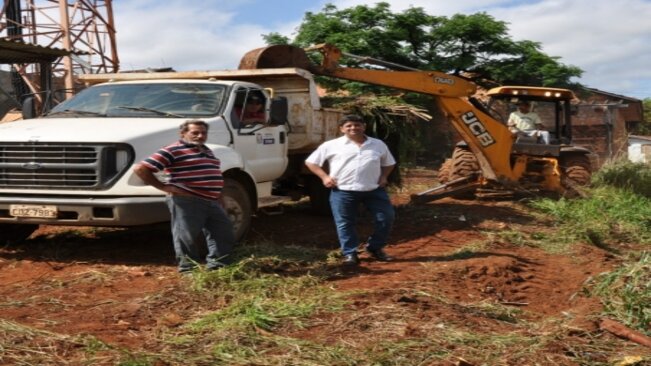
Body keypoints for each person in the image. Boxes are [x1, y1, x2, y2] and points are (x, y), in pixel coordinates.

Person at [134, 120, 235, 273]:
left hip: (211, 200)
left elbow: (211, 175)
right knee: (186, 236)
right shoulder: (173, 149)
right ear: (183, 133)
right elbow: (141, 168)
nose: (200, 136)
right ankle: (188, 270)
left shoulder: (206, 150)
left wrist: (218, 195)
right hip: (187, 200)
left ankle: (218, 267)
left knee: (223, 231)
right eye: (195, 133)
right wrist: (162, 186)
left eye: (203, 133)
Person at [305, 114, 397, 266]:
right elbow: (311, 162)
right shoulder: (331, 145)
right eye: (349, 126)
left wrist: (384, 176)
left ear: (364, 127)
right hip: (343, 191)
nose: (353, 128)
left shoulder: (378, 144)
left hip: (373, 190)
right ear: (342, 129)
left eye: (357, 125)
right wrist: (324, 177)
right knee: (345, 223)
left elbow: (389, 163)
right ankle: (350, 253)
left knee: (386, 218)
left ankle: (374, 248)